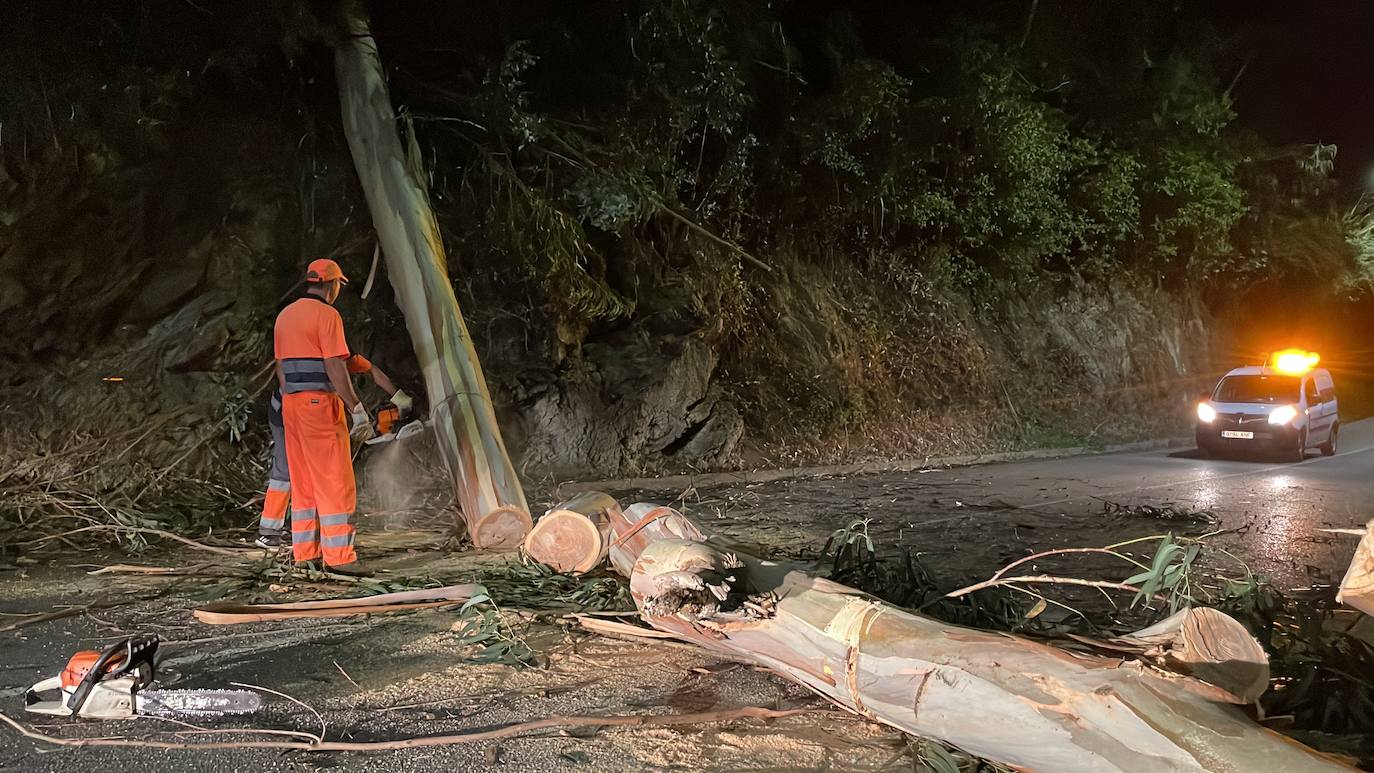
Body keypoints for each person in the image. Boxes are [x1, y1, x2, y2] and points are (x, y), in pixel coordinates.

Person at [268, 258, 408, 572]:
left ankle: (305, 555)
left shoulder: (285, 316)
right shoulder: (327, 315)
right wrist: (357, 409)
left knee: (304, 484)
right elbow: (334, 365)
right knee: (334, 482)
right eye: (339, 286)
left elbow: (281, 370)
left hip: (292, 406)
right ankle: (340, 559)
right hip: (320, 406)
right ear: (332, 284)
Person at [255, 353, 410, 549]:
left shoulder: (343, 357)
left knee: (313, 473)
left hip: (311, 414)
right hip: (286, 414)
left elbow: (373, 371)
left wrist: (400, 398)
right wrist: (357, 412)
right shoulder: (314, 360)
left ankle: (307, 531)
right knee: (286, 471)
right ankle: (268, 532)